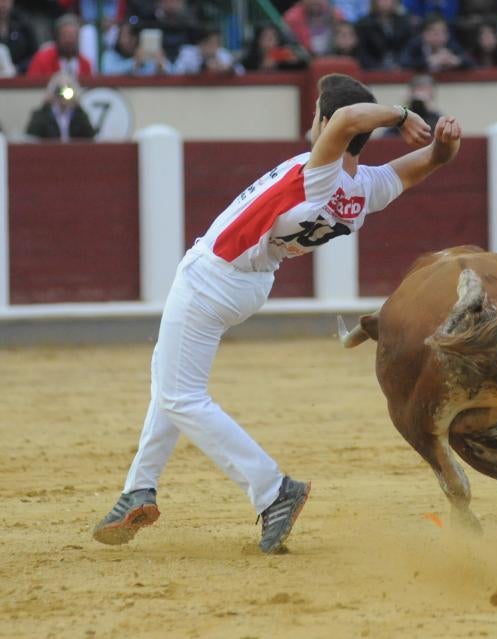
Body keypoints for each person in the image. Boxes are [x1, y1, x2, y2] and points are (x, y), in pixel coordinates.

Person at [91, 73, 463, 555]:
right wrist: (445, 144)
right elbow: (433, 160)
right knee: (171, 382)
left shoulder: (321, 171)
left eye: (317, 116)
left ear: (329, 124)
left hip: (214, 277)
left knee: (181, 395)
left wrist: (406, 116)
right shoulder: (367, 188)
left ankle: (272, 491)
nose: (314, 124)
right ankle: (137, 490)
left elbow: (350, 117)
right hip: (250, 280)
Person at [25, 72, 96, 141]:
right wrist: (45, 105)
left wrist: (78, 107)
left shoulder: (79, 115)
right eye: (59, 90)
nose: (63, 94)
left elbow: (90, 138)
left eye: (68, 89)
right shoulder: (41, 115)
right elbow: (31, 139)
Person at [400, 13, 473, 71]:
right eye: (435, 33)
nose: (441, 37)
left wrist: (456, 60)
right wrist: (430, 61)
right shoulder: (415, 44)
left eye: (444, 32)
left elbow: (471, 62)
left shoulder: (450, 44)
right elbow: (404, 63)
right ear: (425, 34)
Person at [27, 13, 92, 77]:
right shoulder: (42, 60)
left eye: (73, 36)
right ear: (57, 37)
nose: (69, 40)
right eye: (65, 36)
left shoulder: (85, 64)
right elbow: (31, 84)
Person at [355, 0, 413, 70]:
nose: (385, 2)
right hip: (373, 69)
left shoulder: (404, 22)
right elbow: (362, 51)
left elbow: (409, 47)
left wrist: (402, 64)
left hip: (401, 67)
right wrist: (378, 67)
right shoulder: (363, 24)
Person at [101, 19, 171, 75]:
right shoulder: (109, 55)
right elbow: (107, 72)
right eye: (123, 36)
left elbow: (173, 72)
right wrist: (134, 62)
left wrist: (161, 64)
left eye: (131, 36)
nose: (127, 40)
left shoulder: (146, 54)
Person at [173, 26, 243, 74]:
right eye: (210, 43)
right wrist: (204, 67)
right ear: (200, 43)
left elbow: (241, 71)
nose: (213, 47)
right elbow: (176, 72)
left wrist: (229, 69)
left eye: (217, 43)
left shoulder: (223, 53)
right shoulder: (187, 52)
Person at [241, 23, 306, 71]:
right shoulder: (250, 58)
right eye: (265, 37)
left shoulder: (284, 55)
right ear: (258, 40)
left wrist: (296, 60)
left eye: (273, 37)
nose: (270, 40)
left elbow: (302, 63)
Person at [0, 0, 38, 74]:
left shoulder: (23, 23)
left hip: (20, 77)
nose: (2, 5)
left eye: (6, 1)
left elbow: (34, 55)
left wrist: (18, 67)